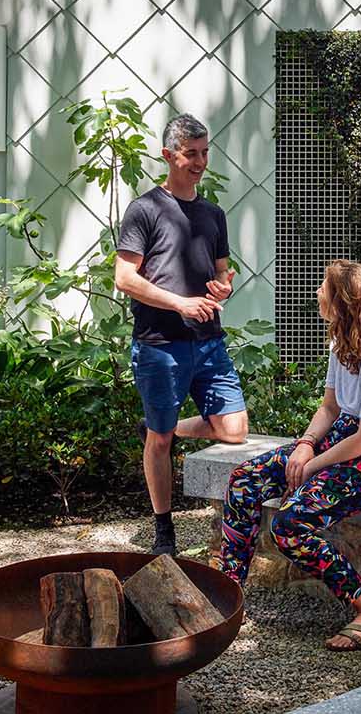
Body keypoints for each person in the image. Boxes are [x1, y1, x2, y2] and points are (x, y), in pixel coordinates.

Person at [217, 260, 361, 651]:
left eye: (323, 287)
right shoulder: (341, 343)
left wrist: (311, 466)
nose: (316, 293)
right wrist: (306, 444)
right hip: (347, 437)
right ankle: (229, 594)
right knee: (244, 480)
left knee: (290, 523)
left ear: (341, 301)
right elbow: (329, 408)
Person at [115, 113, 249, 555]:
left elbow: (224, 273)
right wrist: (180, 302)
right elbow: (125, 279)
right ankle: (163, 530)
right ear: (168, 155)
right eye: (191, 153)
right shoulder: (144, 210)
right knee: (159, 441)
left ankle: (164, 429)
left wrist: (224, 286)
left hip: (209, 341)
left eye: (205, 152)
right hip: (160, 346)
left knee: (233, 430)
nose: (200, 161)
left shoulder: (213, 214)